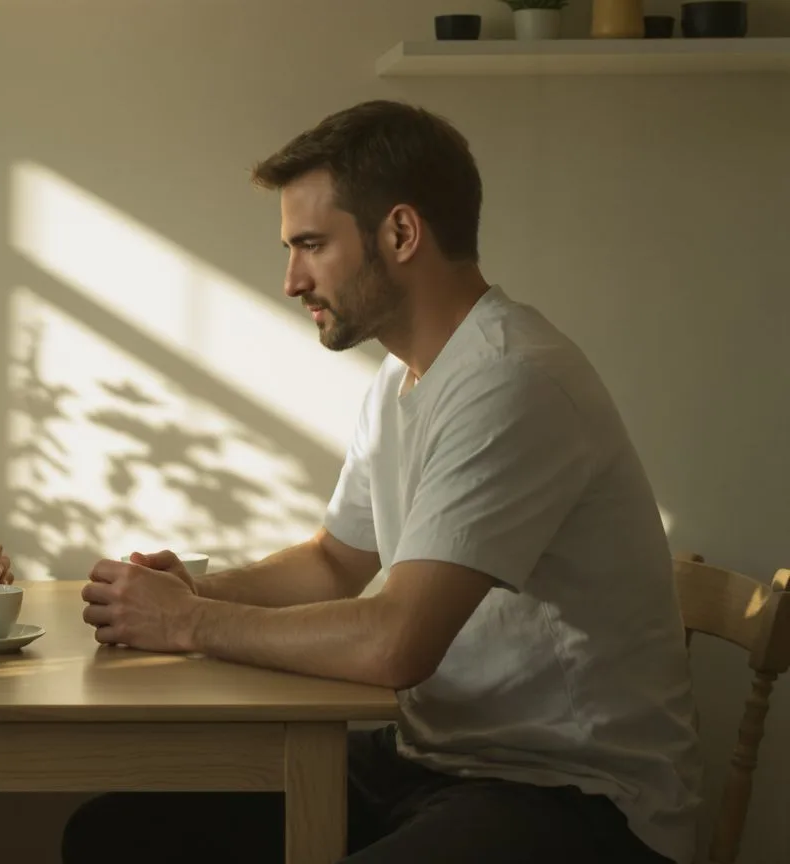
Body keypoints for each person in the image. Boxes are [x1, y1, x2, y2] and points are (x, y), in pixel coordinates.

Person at [64, 101, 702, 864]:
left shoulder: (511, 379)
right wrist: (200, 593)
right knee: (117, 834)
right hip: (433, 762)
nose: (291, 279)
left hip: (576, 798)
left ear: (401, 233)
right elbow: (335, 560)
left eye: (310, 245)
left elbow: (397, 642)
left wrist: (186, 625)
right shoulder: (406, 378)